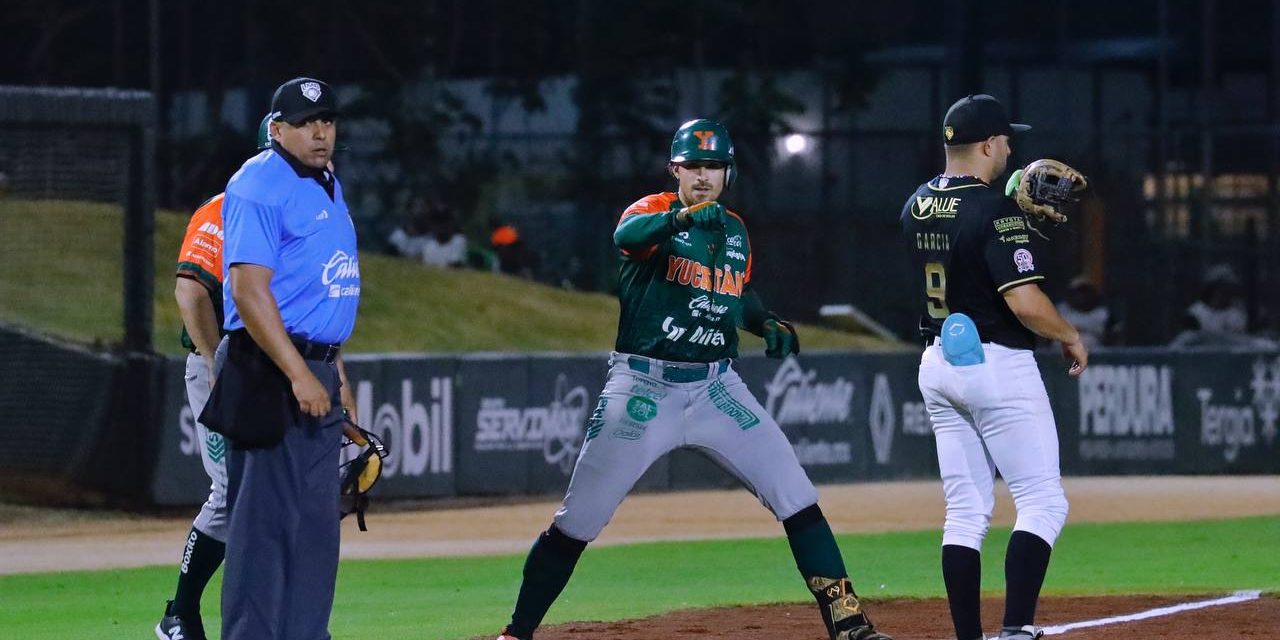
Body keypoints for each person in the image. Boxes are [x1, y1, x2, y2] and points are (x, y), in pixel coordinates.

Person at [495, 119, 893, 640]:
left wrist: (765, 321)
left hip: (716, 387)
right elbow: (626, 237)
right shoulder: (652, 211)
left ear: (728, 173)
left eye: (713, 167)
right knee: (579, 520)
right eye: (693, 166)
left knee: (796, 494)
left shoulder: (735, 230)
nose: (703, 176)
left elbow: (737, 293)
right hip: (643, 386)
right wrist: (680, 219)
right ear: (675, 170)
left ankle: (850, 625)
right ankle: (516, 633)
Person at [900, 94, 1087, 640]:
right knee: (1043, 502)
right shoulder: (994, 211)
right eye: (1005, 139)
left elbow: (959, 233)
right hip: (995, 362)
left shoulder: (913, 202)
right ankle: (1016, 629)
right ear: (986, 144)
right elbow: (1026, 303)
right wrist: (1070, 334)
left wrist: (1002, 211)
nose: (1010, 147)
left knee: (965, 512)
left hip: (937, 362)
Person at [214, 77, 359, 640]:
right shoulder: (257, 183)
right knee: (263, 529)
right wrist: (299, 373)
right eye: (303, 122)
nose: (319, 131)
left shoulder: (326, 182)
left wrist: (335, 372)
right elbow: (250, 291)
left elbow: (317, 292)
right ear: (276, 129)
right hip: (269, 370)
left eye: (326, 120)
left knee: (316, 527)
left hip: (316, 367)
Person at [155, 116, 273, 640]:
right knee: (230, 492)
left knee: (274, 495)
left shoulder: (305, 216)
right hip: (230, 369)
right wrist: (211, 360)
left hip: (277, 374)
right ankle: (179, 614)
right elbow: (189, 289)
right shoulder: (225, 207)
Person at [1054, 275, 1119, 350]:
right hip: (1058, 357)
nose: (1082, 295)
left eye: (1085, 291)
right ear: (1071, 294)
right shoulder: (1059, 311)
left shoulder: (1103, 314)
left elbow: (1115, 338)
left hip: (1095, 358)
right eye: (1078, 292)